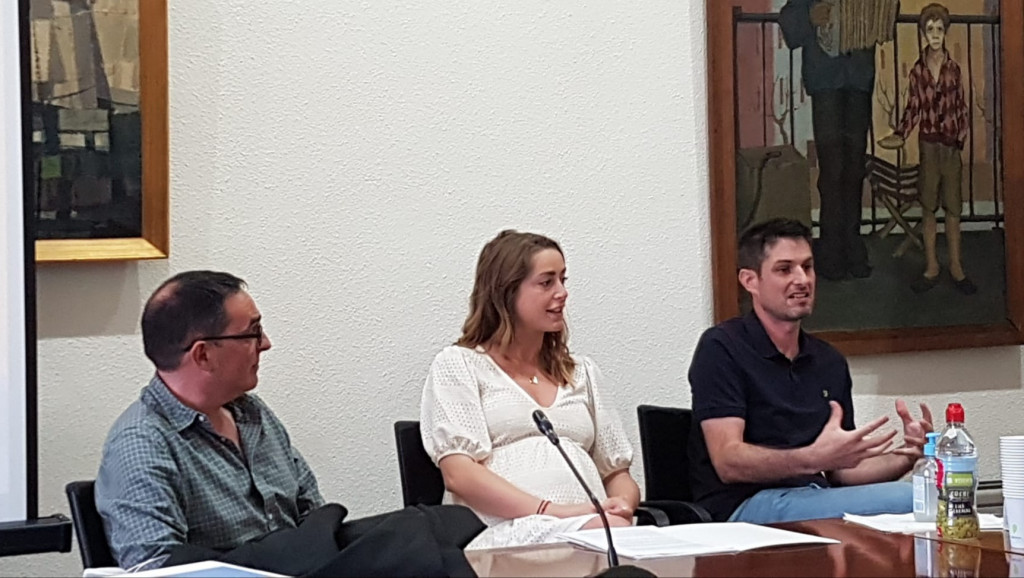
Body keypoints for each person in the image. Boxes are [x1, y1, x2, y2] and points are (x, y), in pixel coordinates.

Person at [96, 271, 481, 576]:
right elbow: (155, 569)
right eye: (252, 332)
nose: (265, 343)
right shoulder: (141, 442)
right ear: (203, 355)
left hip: (310, 565)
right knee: (420, 544)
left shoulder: (252, 413)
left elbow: (312, 512)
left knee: (446, 527)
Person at [687, 219, 934, 523]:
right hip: (744, 506)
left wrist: (907, 455)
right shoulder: (722, 347)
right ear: (750, 281)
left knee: (926, 495)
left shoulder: (828, 360)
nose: (802, 280)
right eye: (785, 269)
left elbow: (843, 471)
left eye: (807, 267)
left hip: (814, 496)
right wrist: (812, 459)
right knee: (908, 499)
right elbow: (728, 461)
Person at [420, 230, 640, 550]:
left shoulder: (582, 373)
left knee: (632, 538)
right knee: (611, 537)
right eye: (546, 282)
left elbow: (616, 472)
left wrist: (622, 504)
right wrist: (556, 513)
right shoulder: (459, 364)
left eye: (563, 279)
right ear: (506, 293)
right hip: (500, 531)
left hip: (593, 528)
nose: (562, 293)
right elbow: (459, 476)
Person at [879, 3, 974, 295]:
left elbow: (961, 107)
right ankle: (931, 266)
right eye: (929, 29)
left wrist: (960, 138)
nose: (934, 34)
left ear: (945, 33)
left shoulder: (953, 69)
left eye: (939, 29)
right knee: (929, 207)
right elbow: (913, 108)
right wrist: (900, 133)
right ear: (923, 33)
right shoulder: (918, 71)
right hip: (928, 145)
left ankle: (956, 266)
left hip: (951, 148)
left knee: (953, 208)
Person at [779, 0, 878, 280]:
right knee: (832, 167)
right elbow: (789, 20)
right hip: (825, 80)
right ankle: (832, 251)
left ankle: (852, 247)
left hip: (858, 77)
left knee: (855, 166)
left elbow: (885, 13)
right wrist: (810, 16)